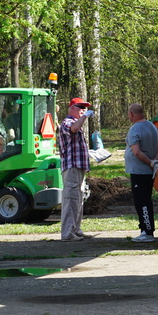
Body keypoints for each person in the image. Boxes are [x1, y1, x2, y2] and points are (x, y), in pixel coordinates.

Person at [125, 103, 158, 242]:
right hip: (149, 171)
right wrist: (154, 162)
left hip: (139, 171)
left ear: (132, 114)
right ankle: (145, 229)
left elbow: (136, 151)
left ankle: (147, 232)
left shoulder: (135, 129)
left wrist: (149, 162)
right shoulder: (152, 127)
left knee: (142, 201)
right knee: (145, 199)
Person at [57, 97, 93, 241]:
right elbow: (74, 128)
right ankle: (67, 233)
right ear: (72, 108)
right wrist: (85, 117)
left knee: (78, 199)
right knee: (70, 199)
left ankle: (75, 229)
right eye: (80, 107)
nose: (83, 110)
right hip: (71, 167)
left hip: (79, 167)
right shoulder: (67, 122)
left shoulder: (77, 122)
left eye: (85, 108)